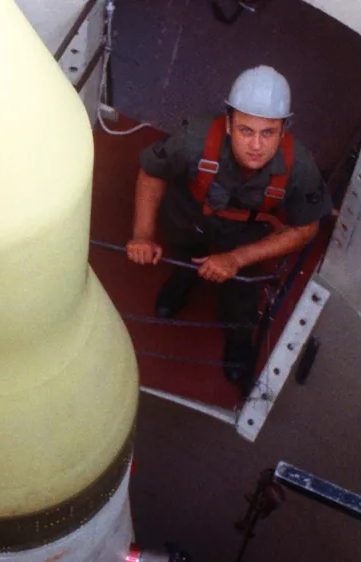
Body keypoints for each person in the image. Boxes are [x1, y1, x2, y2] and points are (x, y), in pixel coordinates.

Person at [125, 65, 332, 393]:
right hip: (188, 216)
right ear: (229, 124)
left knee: (241, 295)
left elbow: (306, 228)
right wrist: (143, 235)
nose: (256, 146)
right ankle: (181, 280)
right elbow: (152, 173)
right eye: (246, 131)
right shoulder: (194, 138)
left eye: (269, 133)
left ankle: (238, 339)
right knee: (182, 255)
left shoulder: (299, 166)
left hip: (245, 234)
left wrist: (237, 259)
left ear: (284, 129)